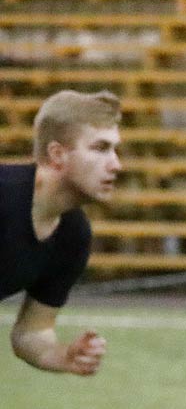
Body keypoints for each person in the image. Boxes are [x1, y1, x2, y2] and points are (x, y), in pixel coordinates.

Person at [2, 91, 119, 376]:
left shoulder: (73, 235)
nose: (116, 164)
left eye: (116, 150)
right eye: (100, 148)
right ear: (57, 155)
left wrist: (63, 356)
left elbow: (32, 331)